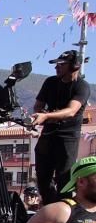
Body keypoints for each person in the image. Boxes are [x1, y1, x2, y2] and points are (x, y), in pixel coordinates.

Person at [33, 50, 91, 205]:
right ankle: (50, 207)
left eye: (61, 64)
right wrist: (40, 113)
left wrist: (47, 116)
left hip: (68, 137)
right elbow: (38, 105)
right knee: (42, 176)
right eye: (57, 64)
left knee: (64, 178)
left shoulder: (82, 86)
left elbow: (72, 111)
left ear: (75, 66)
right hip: (48, 134)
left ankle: (64, 212)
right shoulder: (50, 82)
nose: (56, 67)